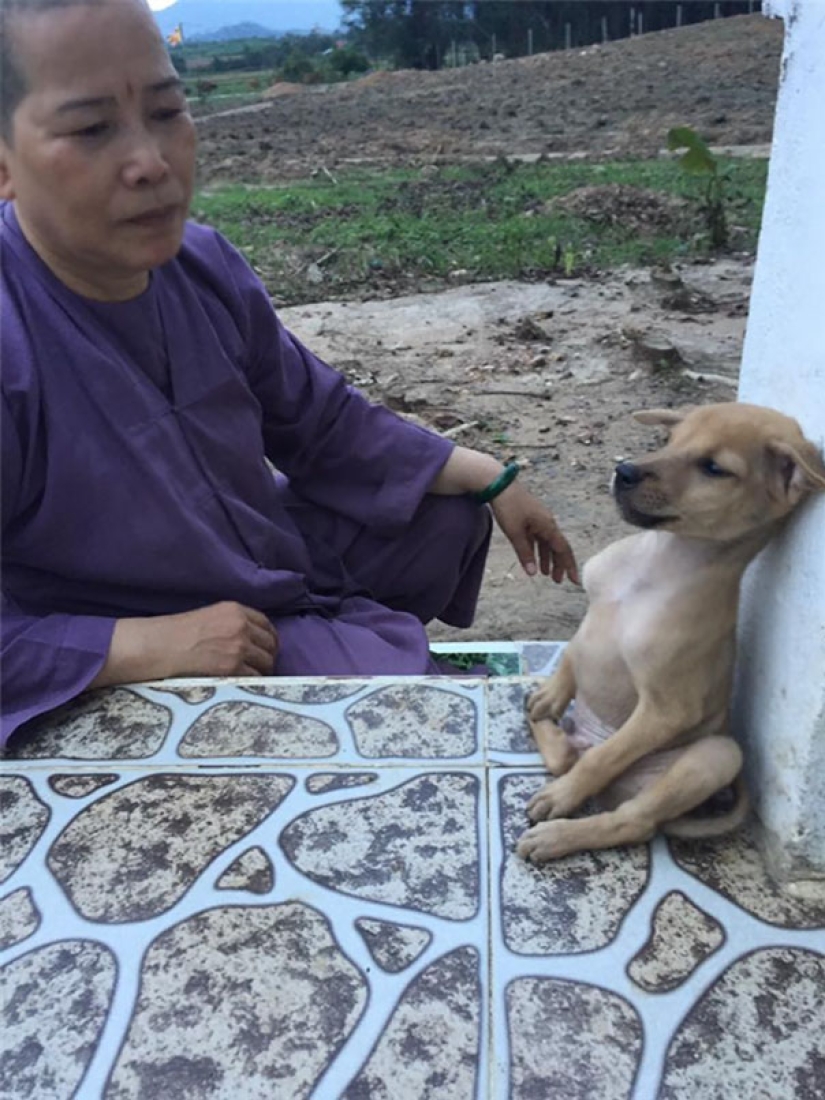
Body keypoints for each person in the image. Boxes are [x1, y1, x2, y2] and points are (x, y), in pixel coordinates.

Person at [0, 0, 578, 747]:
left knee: (443, 513)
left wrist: (491, 475)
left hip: (257, 555)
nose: (151, 163)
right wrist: (134, 649)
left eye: (169, 111)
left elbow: (319, 420)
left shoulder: (202, 263)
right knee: (403, 723)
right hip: (95, 621)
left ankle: (322, 635)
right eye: (91, 129)